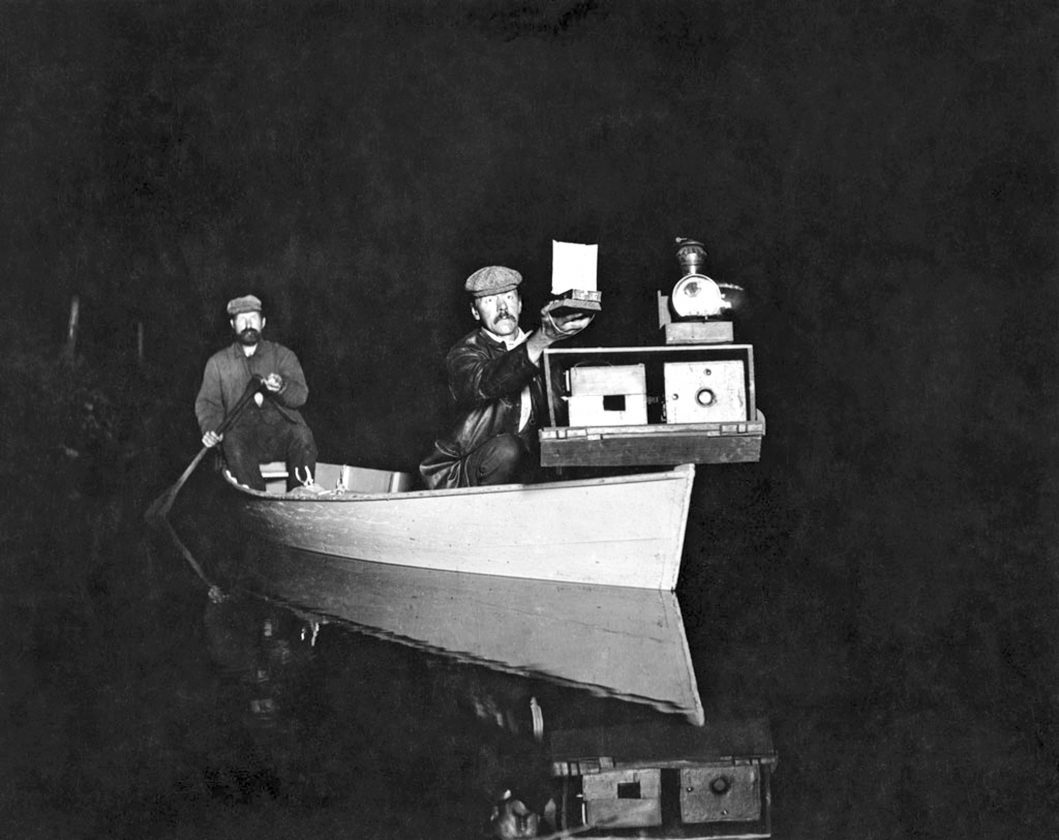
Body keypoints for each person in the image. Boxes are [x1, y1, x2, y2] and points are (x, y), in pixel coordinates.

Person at [420, 266, 594, 489]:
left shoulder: (543, 352)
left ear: (520, 304)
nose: (502, 308)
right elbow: (485, 382)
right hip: (459, 475)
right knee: (508, 449)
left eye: (509, 298)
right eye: (490, 301)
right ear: (475, 312)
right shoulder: (464, 353)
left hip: (527, 470)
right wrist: (543, 338)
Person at [195, 294, 321, 493]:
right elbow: (208, 404)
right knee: (231, 440)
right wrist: (211, 429)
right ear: (232, 324)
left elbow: (300, 396)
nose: (248, 325)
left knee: (303, 435)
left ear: (263, 322)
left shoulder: (283, 355)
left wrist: (282, 386)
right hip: (242, 439)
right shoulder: (218, 363)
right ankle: (257, 499)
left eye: (253, 318)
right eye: (242, 320)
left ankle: (302, 495)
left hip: (279, 435)